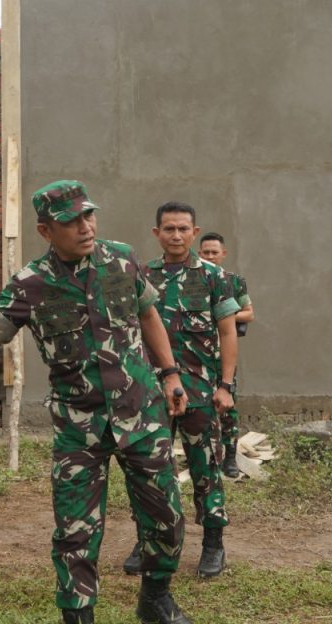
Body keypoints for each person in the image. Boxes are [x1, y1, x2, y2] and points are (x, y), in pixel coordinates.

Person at [0, 180, 194, 624]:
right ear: (46, 231)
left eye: (89, 215)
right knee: (75, 532)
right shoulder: (30, 284)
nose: (85, 227)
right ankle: (78, 614)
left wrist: (171, 373)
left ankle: (155, 598)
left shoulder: (122, 259)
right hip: (79, 428)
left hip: (142, 415)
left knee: (166, 518)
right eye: (71, 221)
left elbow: (148, 313)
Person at [124, 203, 239, 580]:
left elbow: (227, 332)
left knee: (205, 468)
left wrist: (225, 385)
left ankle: (212, 544)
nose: (176, 235)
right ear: (156, 233)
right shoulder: (142, 275)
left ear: (195, 232)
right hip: (152, 392)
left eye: (183, 229)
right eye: (169, 229)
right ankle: (149, 541)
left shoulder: (212, 276)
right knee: (150, 471)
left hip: (201, 392)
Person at [197, 232, 255, 478]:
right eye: (205, 252)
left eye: (214, 252)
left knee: (228, 408)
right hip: (196, 354)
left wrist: (222, 316)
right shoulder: (192, 279)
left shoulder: (234, 281)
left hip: (222, 355)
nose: (210, 256)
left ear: (223, 254)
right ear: (199, 253)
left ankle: (230, 458)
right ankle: (200, 457)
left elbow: (249, 313)